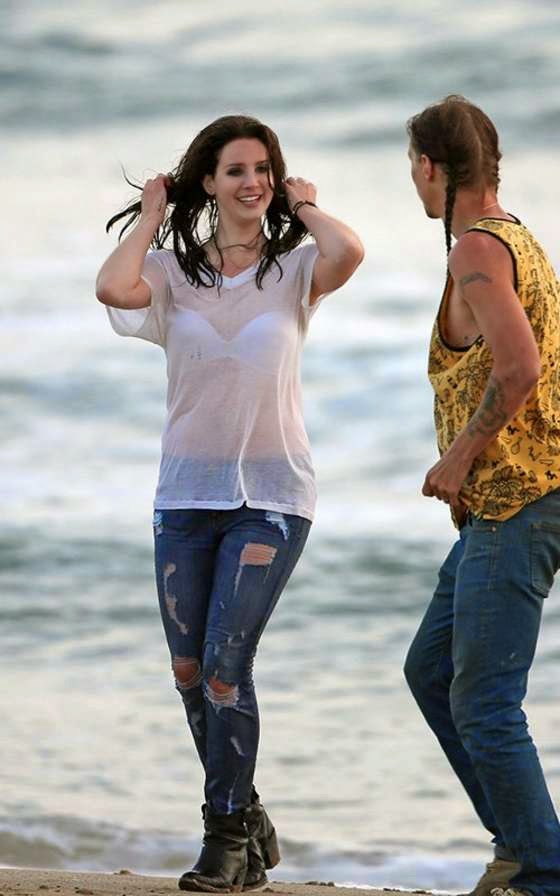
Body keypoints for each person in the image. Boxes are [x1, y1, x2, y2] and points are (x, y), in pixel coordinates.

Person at [95, 114, 363, 893]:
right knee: (188, 670)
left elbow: (350, 252)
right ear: (209, 182)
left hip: (271, 499)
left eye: (263, 170)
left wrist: (304, 205)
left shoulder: (296, 270)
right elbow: (112, 286)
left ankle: (223, 840)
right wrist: (152, 214)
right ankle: (245, 814)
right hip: (185, 497)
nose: (253, 183)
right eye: (237, 170)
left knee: (224, 670)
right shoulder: (171, 275)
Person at [403, 94, 560, 896]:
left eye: (413, 166)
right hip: (509, 503)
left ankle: (541, 871)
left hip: (516, 502)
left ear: (432, 167)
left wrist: (460, 458)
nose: (414, 180)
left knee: (486, 704)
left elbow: (522, 366)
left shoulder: (476, 249)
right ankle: (523, 843)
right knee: (432, 672)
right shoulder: (515, 237)